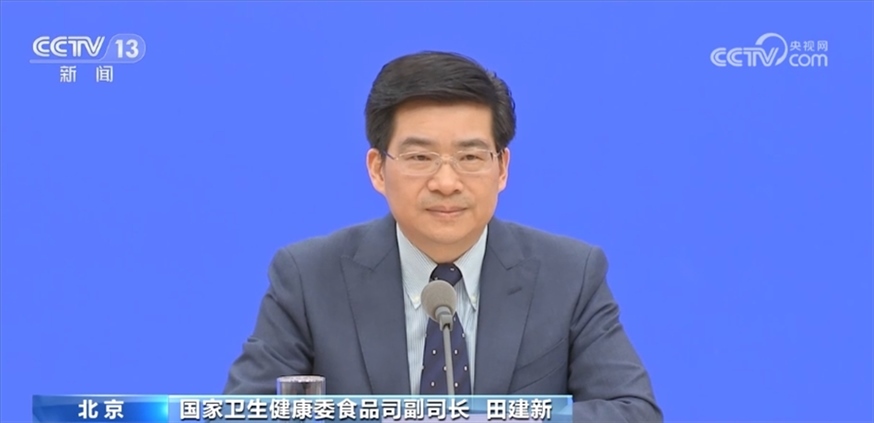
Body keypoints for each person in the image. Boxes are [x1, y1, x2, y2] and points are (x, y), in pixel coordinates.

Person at [223, 51, 662, 422]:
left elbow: (632, 411)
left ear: (502, 168)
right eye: (420, 157)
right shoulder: (309, 277)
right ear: (377, 169)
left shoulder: (568, 275)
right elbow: (243, 412)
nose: (446, 182)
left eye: (470, 157)